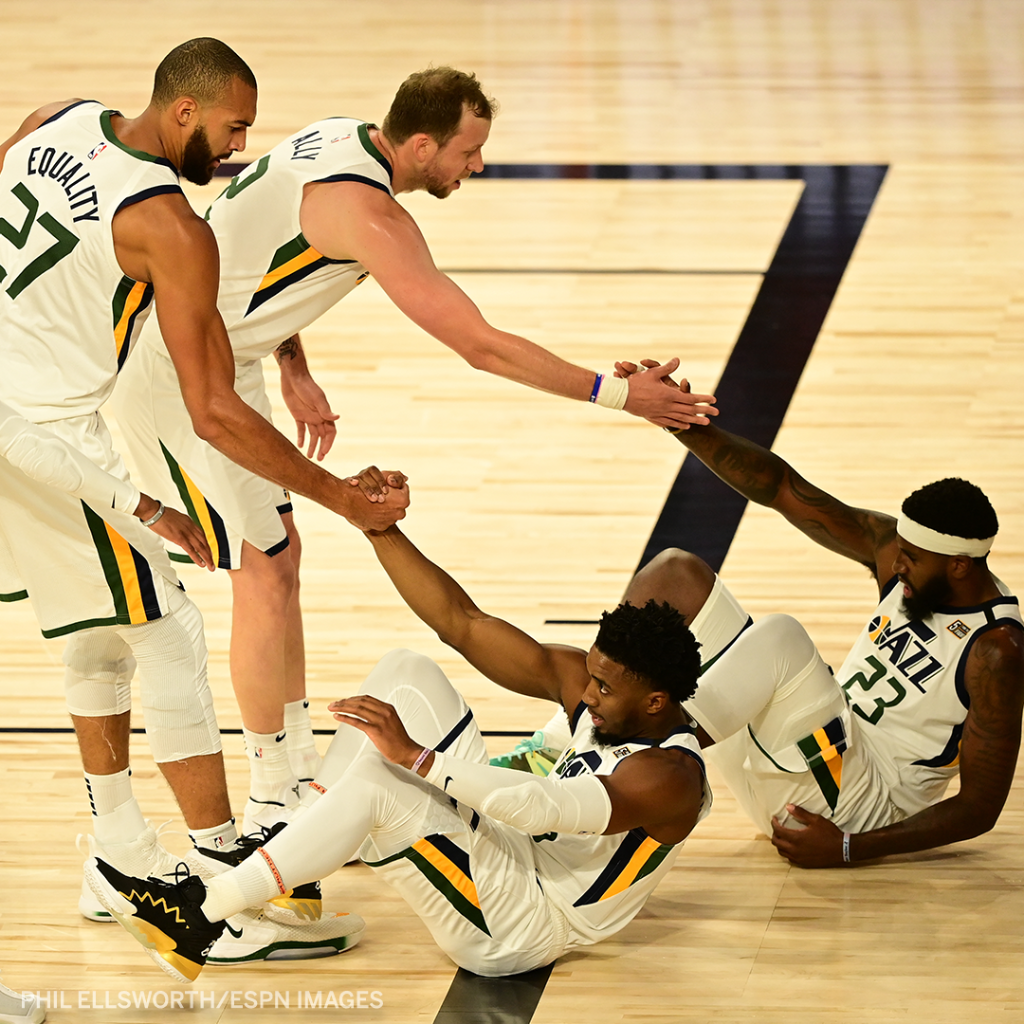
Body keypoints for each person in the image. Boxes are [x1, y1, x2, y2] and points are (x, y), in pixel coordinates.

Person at [110, 65, 719, 834]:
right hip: (173, 370)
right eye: (469, 152)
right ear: (423, 144)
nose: (479, 166)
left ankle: (290, 771)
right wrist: (623, 395)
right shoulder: (372, 218)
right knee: (262, 570)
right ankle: (271, 793)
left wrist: (291, 365)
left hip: (229, 353)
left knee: (282, 558)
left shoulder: (334, 136)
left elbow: (245, 254)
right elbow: (481, 347)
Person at [0, 37, 401, 956]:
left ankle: (117, 855)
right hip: (48, 440)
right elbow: (215, 409)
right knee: (168, 633)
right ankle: (217, 888)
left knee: (100, 639)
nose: (235, 148)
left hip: (11, 418)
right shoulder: (172, 228)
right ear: (184, 111)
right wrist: (338, 494)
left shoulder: (52, 121)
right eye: (231, 128)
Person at [86, 522, 712, 982]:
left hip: (524, 924)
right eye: (592, 676)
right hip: (510, 854)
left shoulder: (670, 779)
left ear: (656, 702)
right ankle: (294, 875)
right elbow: (461, 622)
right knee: (408, 673)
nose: (587, 691)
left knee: (385, 784)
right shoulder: (608, 698)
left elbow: (540, 805)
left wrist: (421, 760)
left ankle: (204, 916)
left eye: (604, 686)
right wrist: (381, 528)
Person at [611, 359, 1024, 867]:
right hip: (800, 760)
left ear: (960, 565)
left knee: (782, 638)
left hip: (858, 807)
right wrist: (687, 426)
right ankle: (576, 735)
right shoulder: (904, 562)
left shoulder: (996, 650)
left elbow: (980, 807)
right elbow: (782, 488)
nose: (896, 563)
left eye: (912, 559)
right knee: (675, 574)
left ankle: (633, 754)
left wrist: (850, 848)